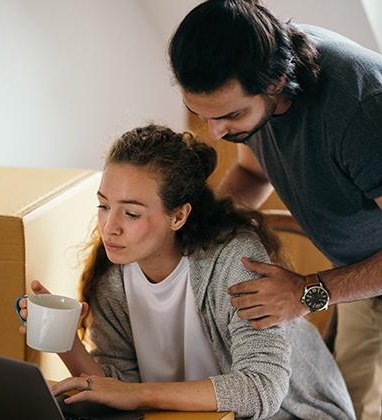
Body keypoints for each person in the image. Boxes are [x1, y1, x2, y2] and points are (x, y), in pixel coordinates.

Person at [18, 124, 355, 419]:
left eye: (131, 214)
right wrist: (65, 343)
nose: (110, 228)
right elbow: (115, 393)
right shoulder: (113, 277)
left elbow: (262, 387)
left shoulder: (233, 262)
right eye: (104, 206)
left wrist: (135, 395)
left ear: (178, 216)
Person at [168, 1, 382, 419]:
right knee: (348, 402)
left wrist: (307, 291)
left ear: (277, 82)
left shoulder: (362, 110)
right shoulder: (254, 62)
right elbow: (251, 173)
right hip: (360, 265)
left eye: (230, 115)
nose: (216, 132)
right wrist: (200, 232)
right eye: (201, 114)